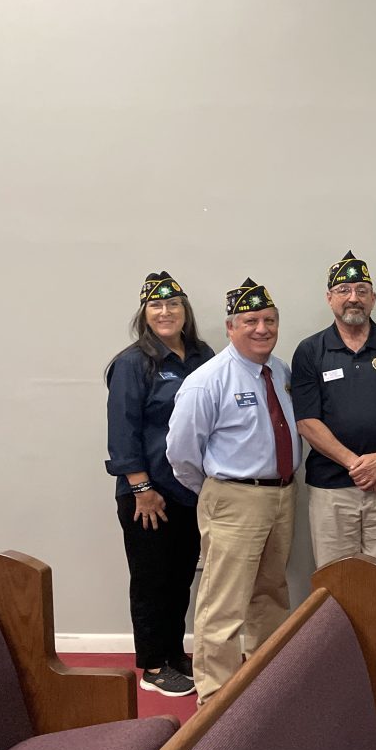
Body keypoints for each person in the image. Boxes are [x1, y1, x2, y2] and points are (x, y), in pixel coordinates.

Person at [166, 278, 301, 703]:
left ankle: (265, 683)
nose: (262, 328)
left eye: (269, 320)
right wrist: (217, 490)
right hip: (234, 497)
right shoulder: (208, 380)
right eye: (251, 321)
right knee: (223, 602)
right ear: (230, 327)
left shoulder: (279, 372)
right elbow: (181, 451)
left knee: (271, 592)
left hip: (282, 494)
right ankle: (215, 697)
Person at [291, 252, 376, 602]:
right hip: (331, 487)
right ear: (329, 297)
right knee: (334, 583)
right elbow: (307, 421)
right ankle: (343, 659)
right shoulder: (310, 351)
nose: (354, 297)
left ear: (373, 298)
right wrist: (358, 465)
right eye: (344, 289)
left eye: (362, 290)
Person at [105, 271, 213, 697]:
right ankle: (152, 665)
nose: (165, 312)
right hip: (149, 493)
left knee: (181, 576)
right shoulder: (133, 363)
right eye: (156, 306)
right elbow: (123, 430)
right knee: (152, 580)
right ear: (144, 314)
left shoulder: (203, 356)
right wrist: (140, 488)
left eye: (173, 305)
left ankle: (172, 653)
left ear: (185, 312)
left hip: (190, 490)